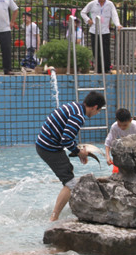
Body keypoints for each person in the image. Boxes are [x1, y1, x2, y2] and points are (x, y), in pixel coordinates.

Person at [36, 91, 106, 221]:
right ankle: (54, 217)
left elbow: (65, 137)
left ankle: (65, 209)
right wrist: (80, 152)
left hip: (45, 143)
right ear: (95, 107)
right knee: (70, 183)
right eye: (99, 110)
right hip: (49, 148)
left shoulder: (75, 106)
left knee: (69, 172)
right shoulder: (78, 116)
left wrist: (77, 152)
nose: (97, 113)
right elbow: (66, 140)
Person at [80, 0, 122, 73]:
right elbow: (83, 12)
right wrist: (88, 20)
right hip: (94, 30)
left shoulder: (110, 4)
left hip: (105, 31)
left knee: (106, 50)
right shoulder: (92, 4)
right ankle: (98, 69)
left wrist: (117, 24)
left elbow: (114, 15)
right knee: (96, 50)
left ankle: (107, 68)